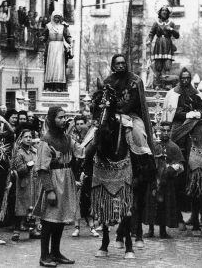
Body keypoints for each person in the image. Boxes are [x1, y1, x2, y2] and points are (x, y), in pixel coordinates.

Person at [103, 54, 155, 246]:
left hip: (130, 116)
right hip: (111, 116)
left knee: (139, 132)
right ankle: (87, 160)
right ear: (112, 65)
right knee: (95, 134)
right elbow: (103, 100)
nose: (121, 66)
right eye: (117, 63)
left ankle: (144, 160)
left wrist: (122, 112)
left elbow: (134, 102)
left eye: (123, 63)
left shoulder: (135, 81)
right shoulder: (107, 81)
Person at [162, 67, 202, 231]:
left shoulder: (197, 93)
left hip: (194, 125)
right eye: (183, 78)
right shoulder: (172, 94)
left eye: (188, 78)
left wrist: (196, 113)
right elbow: (169, 114)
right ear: (180, 79)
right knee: (173, 143)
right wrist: (185, 115)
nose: (186, 80)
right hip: (179, 126)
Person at [34, 106, 78, 266]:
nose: (63, 120)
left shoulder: (67, 139)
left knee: (60, 220)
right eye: (60, 117)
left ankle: (56, 252)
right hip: (53, 181)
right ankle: (44, 255)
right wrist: (49, 190)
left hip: (65, 180)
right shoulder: (46, 141)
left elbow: (80, 151)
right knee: (49, 220)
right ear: (52, 119)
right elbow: (41, 168)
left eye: (65, 117)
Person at [148, 121, 185, 239]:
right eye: (163, 130)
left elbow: (180, 165)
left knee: (164, 206)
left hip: (167, 182)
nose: (165, 133)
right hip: (153, 180)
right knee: (151, 205)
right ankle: (150, 230)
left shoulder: (174, 147)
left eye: (168, 130)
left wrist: (172, 169)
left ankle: (163, 231)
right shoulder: (152, 145)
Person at [70, 115, 99, 238]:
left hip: (90, 170)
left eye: (82, 123)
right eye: (77, 124)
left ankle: (92, 226)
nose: (80, 126)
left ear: (87, 124)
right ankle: (76, 227)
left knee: (88, 199)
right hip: (76, 170)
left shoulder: (93, 137)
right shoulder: (73, 138)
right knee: (77, 200)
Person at [12, 129, 41, 241]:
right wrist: (28, 166)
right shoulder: (19, 153)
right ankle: (16, 231)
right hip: (23, 183)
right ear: (21, 139)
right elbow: (19, 170)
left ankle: (33, 229)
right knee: (21, 206)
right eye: (26, 137)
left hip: (34, 182)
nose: (28, 139)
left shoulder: (35, 151)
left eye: (30, 137)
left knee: (33, 205)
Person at [147, 2, 180, 88]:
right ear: (160, 12)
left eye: (166, 10)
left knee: (167, 65)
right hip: (159, 45)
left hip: (168, 45)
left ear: (168, 13)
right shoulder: (156, 23)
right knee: (158, 66)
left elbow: (177, 36)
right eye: (163, 10)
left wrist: (171, 29)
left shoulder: (171, 23)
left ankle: (167, 84)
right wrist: (149, 41)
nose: (164, 12)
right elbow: (151, 34)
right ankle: (157, 85)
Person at [42, 11, 72, 92]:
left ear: (60, 18)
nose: (56, 19)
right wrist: (42, 38)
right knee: (51, 66)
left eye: (58, 17)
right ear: (53, 17)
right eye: (55, 17)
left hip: (60, 48)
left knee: (59, 66)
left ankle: (59, 86)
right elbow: (44, 36)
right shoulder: (48, 26)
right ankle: (49, 86)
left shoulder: (63, 27)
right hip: (51, 48)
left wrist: (70, 42)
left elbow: (68, 36)